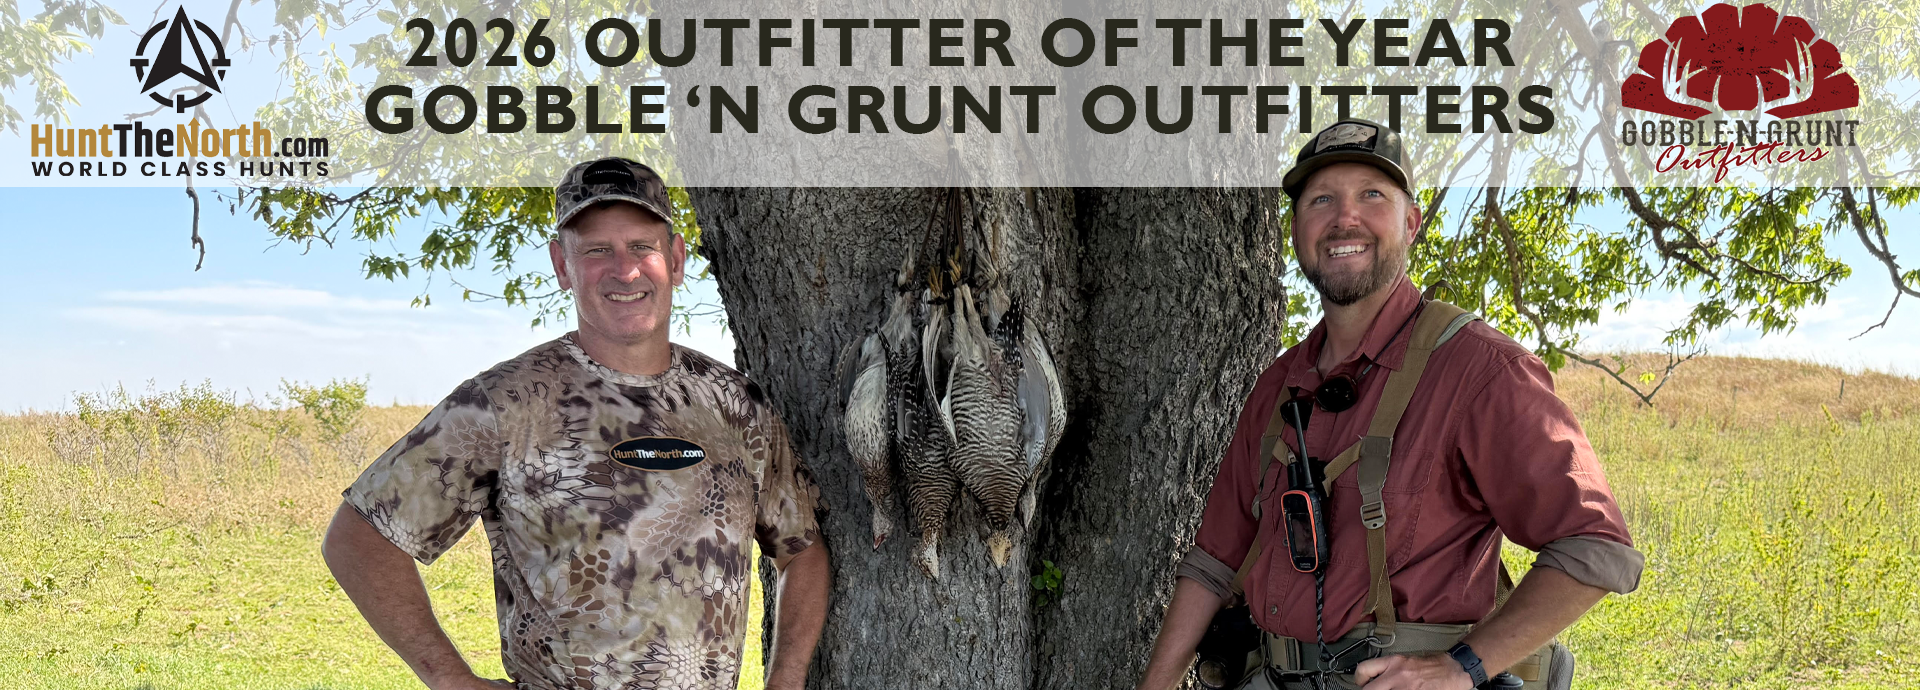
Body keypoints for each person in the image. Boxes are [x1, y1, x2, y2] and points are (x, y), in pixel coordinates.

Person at [1135, 120, 1644, 690]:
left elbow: (1595, 547)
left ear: (1411, 222)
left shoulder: (1479, 371)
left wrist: (1461, 667)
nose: (1344, 218)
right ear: (1298, 231)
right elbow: (1213, 562)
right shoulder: (1279, 385)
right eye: (1321, 200)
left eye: (1371, 196)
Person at [321, 157, 831, 690]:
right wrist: (451, 679)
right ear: (562, 266)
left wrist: (787, 678)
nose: (625, 269)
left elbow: (803, 549)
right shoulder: (505, 403)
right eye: (596, 251)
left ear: (675, 260)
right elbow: (360, 538)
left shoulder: (735, 404)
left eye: (642, 247)